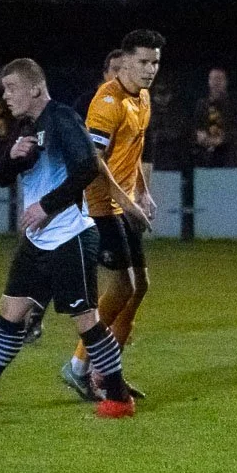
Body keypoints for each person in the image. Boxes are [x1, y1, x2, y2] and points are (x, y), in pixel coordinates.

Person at [0, 58, 137, 418]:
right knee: (10, 312)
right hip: (40, 241)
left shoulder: (63, 118)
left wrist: (47, 207)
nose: (6, 97)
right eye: (4, 90)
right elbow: (3, 178)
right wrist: (10, 158)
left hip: (70, 234)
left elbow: (87, 167)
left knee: (86, 319)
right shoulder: (28, 127)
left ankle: (118, 398)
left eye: (12, 88)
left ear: (36, 88)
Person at [61, 30, 163, 402]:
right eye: (143, 61)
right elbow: (96, 162)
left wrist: (144, 191)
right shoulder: (107, 101)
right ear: (124, 61)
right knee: (122, 287)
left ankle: (106, 373)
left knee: (141, 287)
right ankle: (79, 367)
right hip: (100, 204)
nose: (150, 69)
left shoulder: (144, 98)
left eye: (155, 62)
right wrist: (126, 198)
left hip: (124, 203)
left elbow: (132, 153)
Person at [29, 49, 126, 346]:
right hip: (82, 200)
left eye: (125, 69)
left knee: (113, 271)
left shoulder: (129, 105)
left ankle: (101, 327)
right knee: (110, 271)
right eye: (115, 69)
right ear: (105, 73)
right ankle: (92, 334)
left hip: (106, 201)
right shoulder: (86, 105)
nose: (120, 76)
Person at [193, 67, 237, 167]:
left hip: (229, 154)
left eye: (220, 79)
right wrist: (199, 135)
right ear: (209, 81)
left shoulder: (235, 103)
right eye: (213, 79)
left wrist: (222, 139)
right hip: (206, 154)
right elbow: (196, 125)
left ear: (226, 82)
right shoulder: (202, 104)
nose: (216, 82)